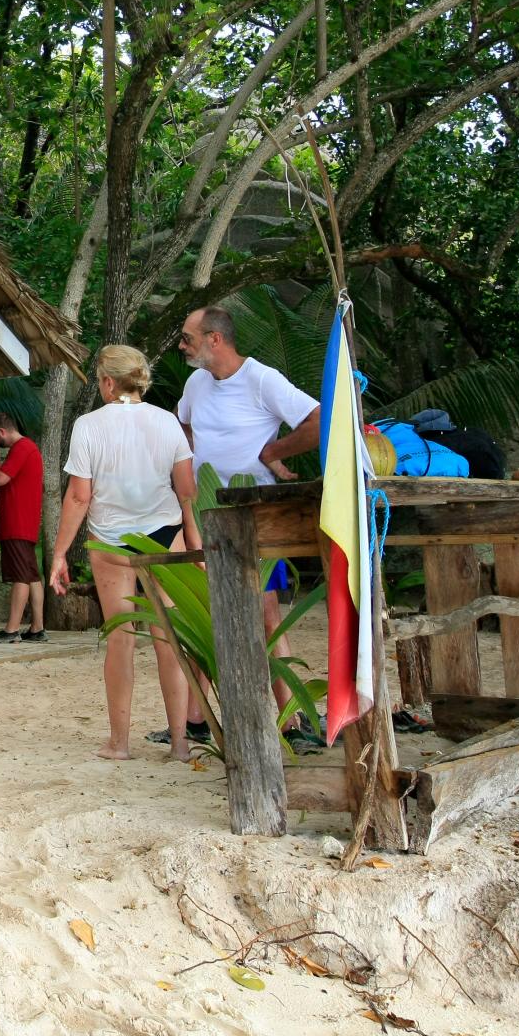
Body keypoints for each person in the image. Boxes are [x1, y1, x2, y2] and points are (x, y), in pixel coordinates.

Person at [174, 304, 322, 748]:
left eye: (188, 337)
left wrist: (272, 453)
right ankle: (197, 721)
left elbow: (317, 421)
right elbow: (182, 425)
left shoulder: (262, 378)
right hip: (206, 511)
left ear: (215, 339)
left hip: (254, 516)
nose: (182, 345)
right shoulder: (196, 383)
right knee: (203, 609)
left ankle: (295, 723)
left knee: (266, 614)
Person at [48, 344, 203, 761]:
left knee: (120, 638)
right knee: (168, 639)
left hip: (112, 539)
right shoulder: (167, 421)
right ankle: (179, 743)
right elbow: (187, 491)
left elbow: (79, 497)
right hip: (166, 534)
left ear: (109, 382)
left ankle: (120, 743)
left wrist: (60, 553)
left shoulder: (88, 425)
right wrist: (196, 545)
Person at [0, 412, 46, 644]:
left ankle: (11, 630)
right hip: (24, 521)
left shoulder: (21, 448)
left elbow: (2, 479)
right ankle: (37, 627)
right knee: (30, 575)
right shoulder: (27, 448)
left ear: (1, 431)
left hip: (17, 521)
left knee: (21, 575)